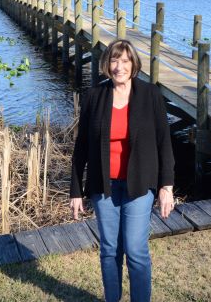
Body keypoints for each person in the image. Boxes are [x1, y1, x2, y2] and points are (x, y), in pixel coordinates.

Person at [70, 39, 175, 302]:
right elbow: (81, 145)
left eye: (125, 61)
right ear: (107, 64)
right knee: (109, 250)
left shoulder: (150, 95)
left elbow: (164, 143)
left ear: (134, 64)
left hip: (139, 185)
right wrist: (75, 191)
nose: (120, 67)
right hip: (104, 186)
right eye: (115, 61)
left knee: (136, 249)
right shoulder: (95, 96)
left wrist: (166, 187)